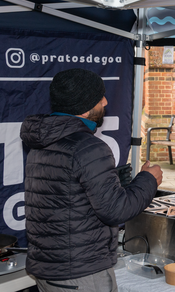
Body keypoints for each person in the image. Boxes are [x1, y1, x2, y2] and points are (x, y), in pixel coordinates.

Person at [20, 68, 163, 292]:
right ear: (85, 107)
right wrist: (149, 180)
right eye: (99, 98)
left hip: (50, 269)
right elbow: (115, 210)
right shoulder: (89, 147)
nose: (105, 102)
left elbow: (74, 198)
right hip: (80, 274)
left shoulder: (41, 143)